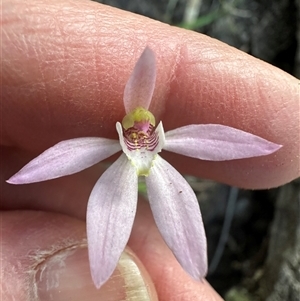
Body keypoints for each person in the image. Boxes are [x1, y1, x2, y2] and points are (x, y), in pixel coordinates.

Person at [1, 0, 299, 300]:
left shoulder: (160, 145)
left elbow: (232, 143)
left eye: (146, 129)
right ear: (124, 131)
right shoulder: (106, 146)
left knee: (181, 236)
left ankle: (189, 269)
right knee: (107, 248)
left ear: (155, 129)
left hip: (153, 172)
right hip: (122, 170)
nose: (142, 132)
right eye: (135, 131)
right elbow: (53, 162)